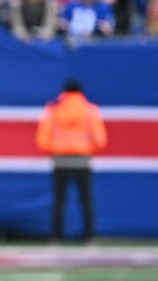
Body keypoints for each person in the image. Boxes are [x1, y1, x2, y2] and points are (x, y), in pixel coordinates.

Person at [35, 79, 108, 243]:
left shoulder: (54, 110)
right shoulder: (89, 110)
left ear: (64, 92)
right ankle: (89, 235)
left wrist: (56, 150)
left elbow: (42, 138)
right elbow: (100, 139)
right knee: (85, 198)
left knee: (59, 199)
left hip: (60, 160)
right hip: (82, 160)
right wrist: (86, 150)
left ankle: (56, 235)